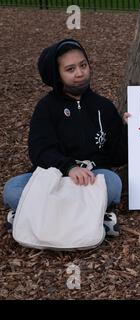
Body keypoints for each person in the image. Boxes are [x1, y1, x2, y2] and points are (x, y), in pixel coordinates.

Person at [3, 39, 128, 237]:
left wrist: (128, 130)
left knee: (113, 184)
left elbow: (117, 156)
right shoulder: (46, 108)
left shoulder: (104, 107)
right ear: (57, 75)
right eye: (70, 69)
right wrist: (69, 168)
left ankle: (32, 216)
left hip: (90, 179)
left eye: (83, 65)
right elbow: (40, 150)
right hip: (53, 179)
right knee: (12, 189)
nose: (79, 73)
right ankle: (92, 217)